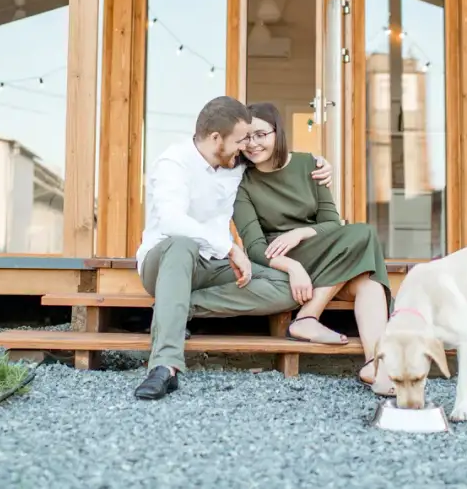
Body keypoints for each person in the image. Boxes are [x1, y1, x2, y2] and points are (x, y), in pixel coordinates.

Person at [133, 96, 333, 400]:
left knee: (284, 286)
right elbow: (172, 220)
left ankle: (174, 308)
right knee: (182, 243)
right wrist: (230, 248)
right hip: (164, 263)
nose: (246, 147)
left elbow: (276, 158)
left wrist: (318, 164)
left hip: (211, 267)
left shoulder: (234, 165)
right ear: (216, 139)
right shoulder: (173, 162)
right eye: (240, 140)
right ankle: (164, 366)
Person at [232, 102, 394, 396]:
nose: (252, 144)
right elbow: (255, 248)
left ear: (277, 132)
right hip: (281, 258)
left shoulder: (310, 165)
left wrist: (301, 232)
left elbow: (332, 223)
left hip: (321, 250)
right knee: (364, 236)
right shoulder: (241, 183)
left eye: (260, 134)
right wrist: (292, 267)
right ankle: (307, 318)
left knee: (367, 281)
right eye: (246, 138)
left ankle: (375, 364)